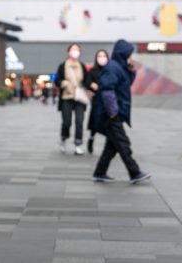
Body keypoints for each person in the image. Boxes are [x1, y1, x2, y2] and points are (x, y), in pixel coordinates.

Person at [92, 39, 151, 184]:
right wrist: (113, 112)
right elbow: (107, 90)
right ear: (122, 54)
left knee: (112, 146)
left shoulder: (119, 67)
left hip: (114, 112)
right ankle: (134, 172)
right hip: (111, 114)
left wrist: (131, 71)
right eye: (128, 54)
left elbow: (124, 85)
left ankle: (100, 172)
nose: (130, 57)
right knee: (123, 143)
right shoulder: (112, 67)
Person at [54, 44, 89, 155]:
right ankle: (64, 138)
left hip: (79, 97)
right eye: (73, 49)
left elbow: (87, 80)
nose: (75, 52)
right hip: (66, 97)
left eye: (77, 50)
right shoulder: (63, 65)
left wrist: (86, 86)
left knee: (79, 121)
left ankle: (78, 144)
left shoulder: (82, 65)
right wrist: (63, 83)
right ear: (68, 52)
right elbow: (57, 79)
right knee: (66, 121)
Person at [85, 49, 109, 154]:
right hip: (96, 101)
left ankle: (109, 143)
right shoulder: (93, 71)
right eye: (99, 56)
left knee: (108, 124)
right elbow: (87, 81)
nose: (101, 58)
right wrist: (91, 86)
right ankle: (91, 138)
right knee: (95, 123)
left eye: (103, 56)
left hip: (108, 101)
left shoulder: (110, 70)